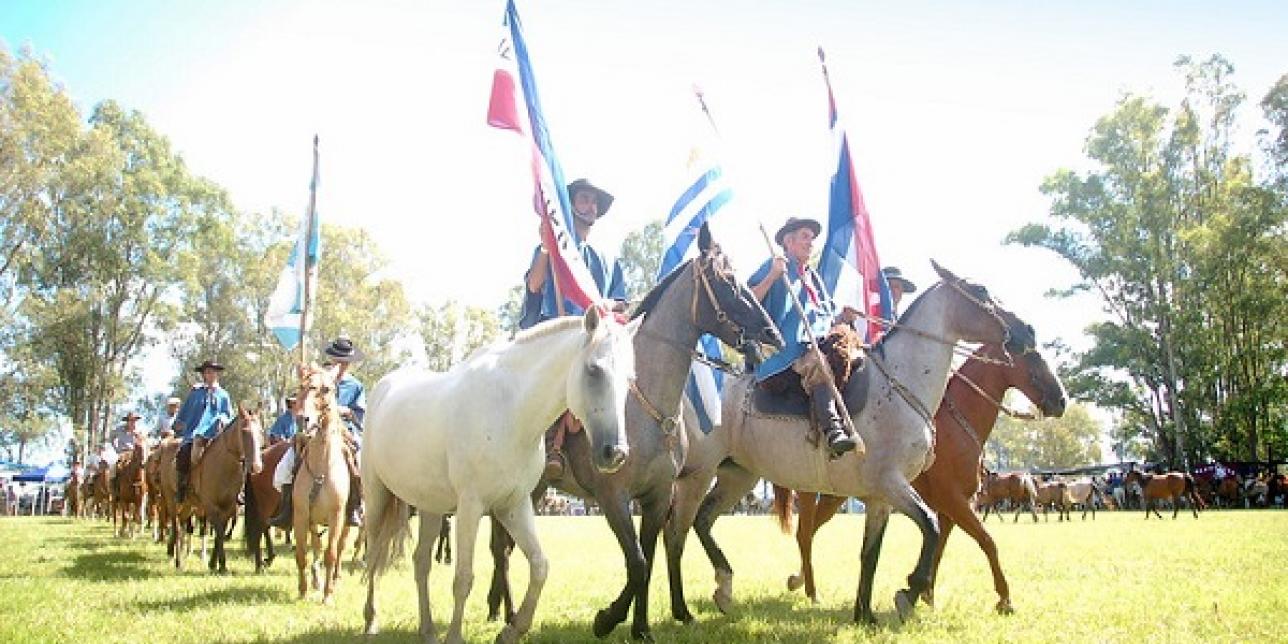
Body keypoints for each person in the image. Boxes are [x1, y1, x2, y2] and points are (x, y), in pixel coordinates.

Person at [517, 178, 627, 481]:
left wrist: (604, 305)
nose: (590, 206)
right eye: (583, 199)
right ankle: (552, 442)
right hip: (556, 337)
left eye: (594, 202)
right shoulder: (551, 248)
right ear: (570, 206)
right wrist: (545, 246)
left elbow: (622, 302)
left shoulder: (608, 258)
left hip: (596, 338)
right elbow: (534, 285)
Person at [748, 216, 858, 458]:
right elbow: (748, 302)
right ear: (788, 241)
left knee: (852, 355)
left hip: (816, 343)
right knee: (817, 362)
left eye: (812, 238)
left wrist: (843, 317)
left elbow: (826, 320)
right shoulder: (775, 265)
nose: (811, 243)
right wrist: (772, 277)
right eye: (805, 237)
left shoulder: (813, 277)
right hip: (785, 352)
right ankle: (833, 430)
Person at [271, 336, 367, 528]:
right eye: (337, 359)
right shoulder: (316, 379)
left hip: (344, 430)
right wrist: (302, 379)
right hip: (313, 428)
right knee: (286, 465)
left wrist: (342, 410)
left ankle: (355, 506)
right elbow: (302, 401)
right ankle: (287, 508)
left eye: (344, 360)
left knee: (360, 461)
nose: (340, 363)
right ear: (332, 358)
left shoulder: (355, 386)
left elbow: (359, 414)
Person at [172, 359, 233, 503]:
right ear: (204, 375)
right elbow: (185, 413)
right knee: (184, 454)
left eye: (212, 372)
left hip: (216, 435)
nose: (209, 374)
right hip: (194, 434)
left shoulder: (224, 395)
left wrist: (222, 420)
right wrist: (179, 426)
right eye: (206, 372)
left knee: (237, 457)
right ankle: (183, 488)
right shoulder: (195, 393)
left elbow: (227, 414)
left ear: (217, 374)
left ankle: (236, 490)